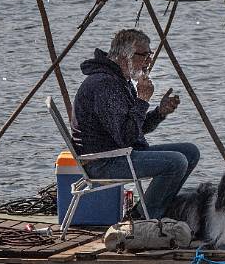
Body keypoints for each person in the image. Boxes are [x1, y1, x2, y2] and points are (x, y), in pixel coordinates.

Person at [72, 29, 200, 219]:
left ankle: (156, 209)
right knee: (176, 162)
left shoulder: (119, 80)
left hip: (119, 153)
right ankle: (143, 217)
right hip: (102, 162)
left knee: (190, 152)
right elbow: (127, 137)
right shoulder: (104, 85)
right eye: (144, 55)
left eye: (150, 54)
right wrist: (142, 100)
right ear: (124, 56)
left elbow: (136, 129)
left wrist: (159, 113)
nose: (148, 61)